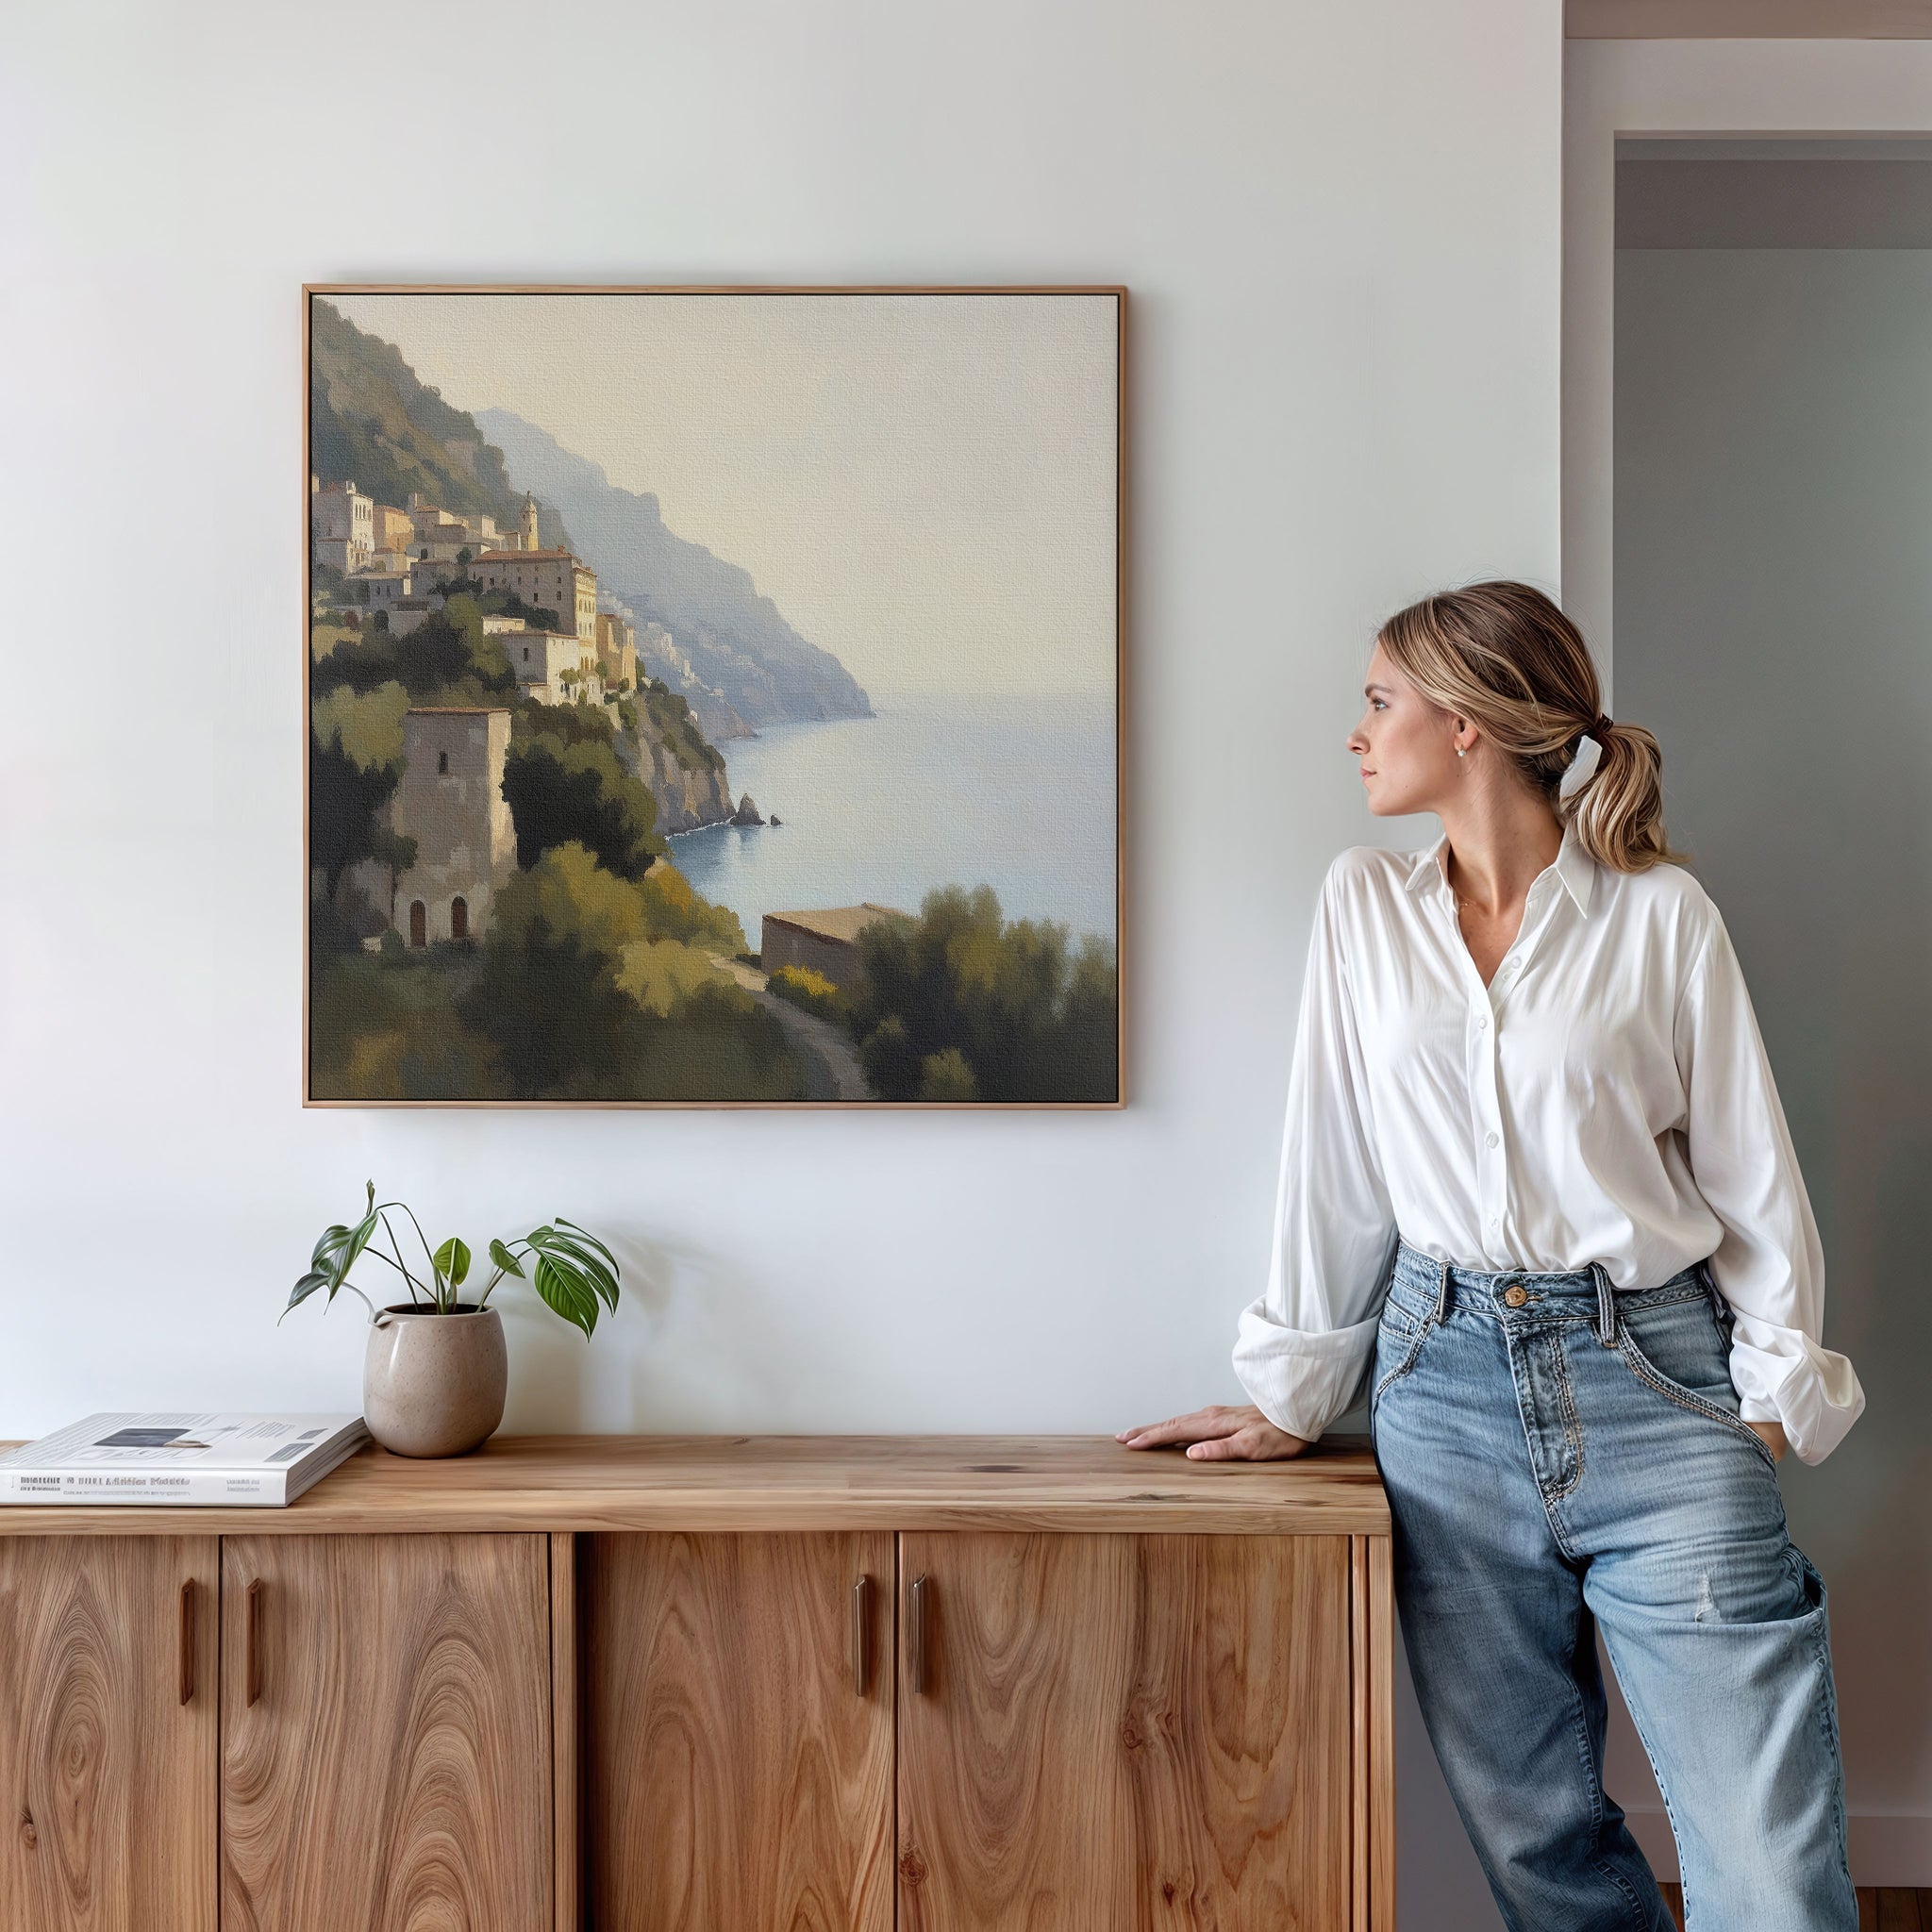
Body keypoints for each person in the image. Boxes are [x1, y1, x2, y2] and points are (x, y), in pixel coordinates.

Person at [1118, 581, 1865, 1931]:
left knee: (1769, 1866)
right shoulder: (1362, 909)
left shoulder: (1661, 917)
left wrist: (1766, 1396)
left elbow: (1754, 1174)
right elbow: (1331, 1164)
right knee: (1540, 1851)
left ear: (1466, 725)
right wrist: (1297, 1390)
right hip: (1441, 1390)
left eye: (1378, 700)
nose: (1356, 733)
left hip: (1659, 1378)